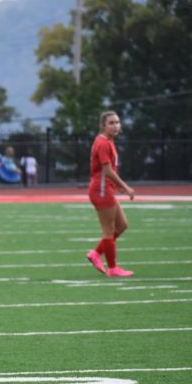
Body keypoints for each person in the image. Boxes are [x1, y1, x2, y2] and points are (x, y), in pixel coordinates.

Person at [85, 110, 135, 278]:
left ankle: (96, 253)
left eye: (117, 122)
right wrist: (125, 186)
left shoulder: (108, 141)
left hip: (106, 188)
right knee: (108, 230)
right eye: (111, 123)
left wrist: (117, 186)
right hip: (101, 190)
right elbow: (107, 171)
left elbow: (109, 169)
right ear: (103, 126)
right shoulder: (103, 143)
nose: (116, 126)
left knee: (122, 225)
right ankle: (113, 268)